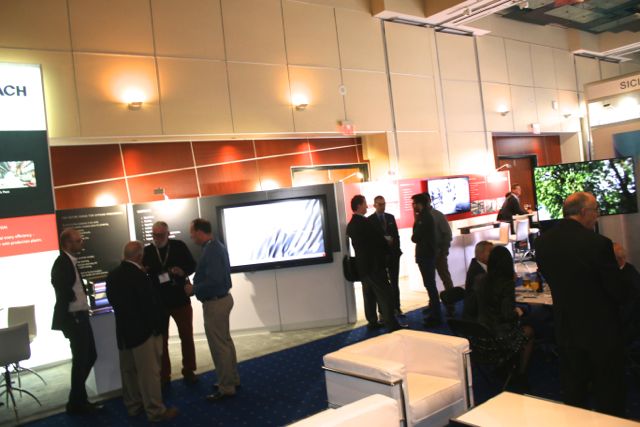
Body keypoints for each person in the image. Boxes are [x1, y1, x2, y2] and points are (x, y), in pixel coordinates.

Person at [535, 192, 632, 416]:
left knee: (574, 390)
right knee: (609, 391)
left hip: (566, 327)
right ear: (583, 212)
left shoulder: (543, 242)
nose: (597, 216)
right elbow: (617, 291)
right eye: (596, 210)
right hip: (601, 330)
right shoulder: (598, 244)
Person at [106, 241, 179, 422]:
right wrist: (157, 328)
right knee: (149, 375)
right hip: (144, 333)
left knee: (129, 372)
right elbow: (149, 305)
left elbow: (113, 301)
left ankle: (133, 406)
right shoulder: (140, 276)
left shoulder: (113, 275)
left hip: (124, 332)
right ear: (139, 257)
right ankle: (156, 411)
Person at [186, 218, 240, 402]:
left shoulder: (212, 250)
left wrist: (194, 289)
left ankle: (226, 387)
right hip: (220, 300)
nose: (191, 236)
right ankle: (231, 379)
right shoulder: (215, 246)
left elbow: (214, 281)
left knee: (219, 346)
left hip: (216, 303)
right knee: (225, 342)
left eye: (192, 232)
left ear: (199, 232)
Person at [50, 228, 102, 415]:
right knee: (82, 360)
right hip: (74, 318)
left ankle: (77, 400)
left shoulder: (70, 261)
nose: (82, 243)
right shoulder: (62, 262)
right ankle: (77, 403)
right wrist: (70, 296)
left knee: (89, 356)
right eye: (78, 241)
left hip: (80, 315)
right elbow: (59, 284)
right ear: (67, 243)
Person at [142, 221, 197, 386]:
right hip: (159, 303)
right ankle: (164, 375)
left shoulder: (179, 246)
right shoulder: (148, 251)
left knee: (186, 336)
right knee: (161, 341)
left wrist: (182, 271)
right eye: (154, 235)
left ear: (167, 233)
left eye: (160, 235)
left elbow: (192, 265)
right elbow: (143, 273)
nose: (157, 238)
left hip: (180, 299)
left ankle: (189, 370)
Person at [475, 246, 534, 390]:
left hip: (481, 334)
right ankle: (520, 374)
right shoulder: (506, 284)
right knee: (530, 330)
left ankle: (504, 366)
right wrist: (520, 311)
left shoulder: (480, 280)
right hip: (500, 337)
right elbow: (508, 315)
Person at [347, 195, 400, 331]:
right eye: (365, 204)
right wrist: (387, 242)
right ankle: (391, 324)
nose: (367, 206)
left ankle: (372, 322)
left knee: (369, 295)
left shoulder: (351, 225)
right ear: (359, 205)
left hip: (362, 267)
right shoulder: (365, 223)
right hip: (375, 266)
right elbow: (377, 242)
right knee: (385, 294)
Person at [368, 195, 403, 315]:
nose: (383, 206)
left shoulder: (390, 217)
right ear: (375, 205)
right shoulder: (370, 220)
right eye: (380, 204)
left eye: (384, 204)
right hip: (380, 257)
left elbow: (396, 235)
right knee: (381, 284)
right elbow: (372, 240)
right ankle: (383, 311)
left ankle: (397, 307)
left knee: (394, 282)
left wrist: (396, 249)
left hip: (393, 255)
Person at [411, 193, 441, 327]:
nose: (413, 206)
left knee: (430, 285)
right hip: (427, 255)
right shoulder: (424, 216)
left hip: (426, 255)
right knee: (430, 285)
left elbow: (415, 237)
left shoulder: (424, 218)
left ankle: (436, 316)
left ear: (420, 204)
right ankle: (435, 313)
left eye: (414, 203)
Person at [425, 193, 454, 316]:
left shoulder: (438, 215)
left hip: (439, 254)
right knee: (430, 282)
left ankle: (451, 304)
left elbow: (447, 234)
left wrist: (444, 251)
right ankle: (433, 304)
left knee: (445, 278)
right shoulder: (421, 216)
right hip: (427, 255)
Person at [462, 240, 493, 320]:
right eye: (490, 252)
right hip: (478, 313)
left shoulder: (485, 265)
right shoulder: (476, 271)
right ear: (480, 254)